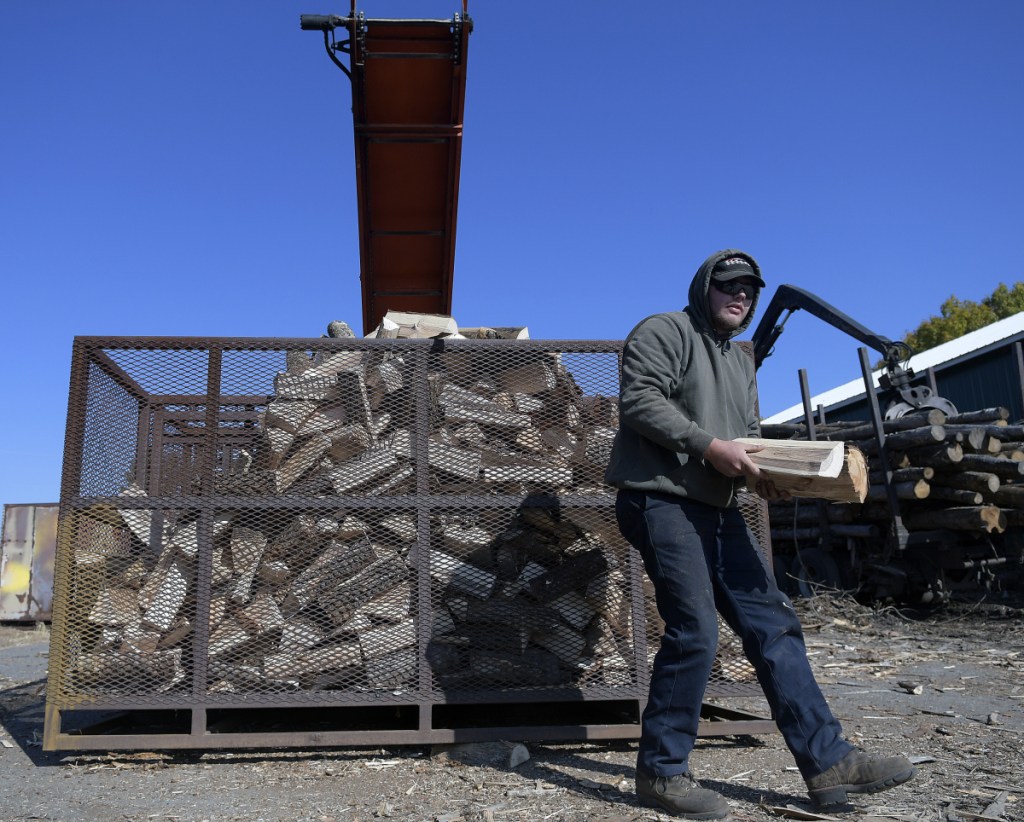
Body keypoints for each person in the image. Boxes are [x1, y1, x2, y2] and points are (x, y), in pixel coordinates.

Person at [605, 249, 915, 819]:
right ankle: (661, 773)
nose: (740, 296)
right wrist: (709, 447)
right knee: (695, 628)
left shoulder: (741, 361)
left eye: (749, 290)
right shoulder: (665, 331)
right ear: (705, 288)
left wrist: (766, 477)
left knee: (773, 623)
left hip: (718, 510)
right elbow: (640, 400)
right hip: (660, 499)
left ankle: (828, 762)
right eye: (729, 286)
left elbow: (747, 436)